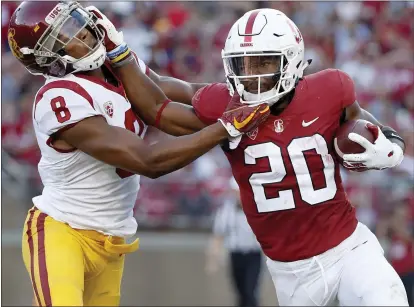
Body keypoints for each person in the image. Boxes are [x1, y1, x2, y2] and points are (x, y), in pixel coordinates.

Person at [110, 8, 409, 306]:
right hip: (291, 274)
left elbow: (359, 119)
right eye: (243, 64)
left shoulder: (330, 88)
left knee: (386, 297)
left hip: (349, 249)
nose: (252, 75)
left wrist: (387, 142)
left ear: (291, 59)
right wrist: (119, 55)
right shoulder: (227, 106)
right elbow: (159, 105)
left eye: (263, 62)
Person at [7, 2, 270, 306]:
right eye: (64, 35)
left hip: (110, 238)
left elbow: (181, 96)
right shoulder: (58, 97)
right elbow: (147, 160)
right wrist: (225, 128)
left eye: (76, 22)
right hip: (62, 232)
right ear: (48, 58)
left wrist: (251, 95)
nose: (82, 34)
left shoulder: (114, 66)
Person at [206, 177, 262, 307]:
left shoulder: (256, 208)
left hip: (253, 255)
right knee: (240, 292)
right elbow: (218, 236)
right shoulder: (226, 211)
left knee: (250, 291)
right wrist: (212, 259)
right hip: (236, 255)